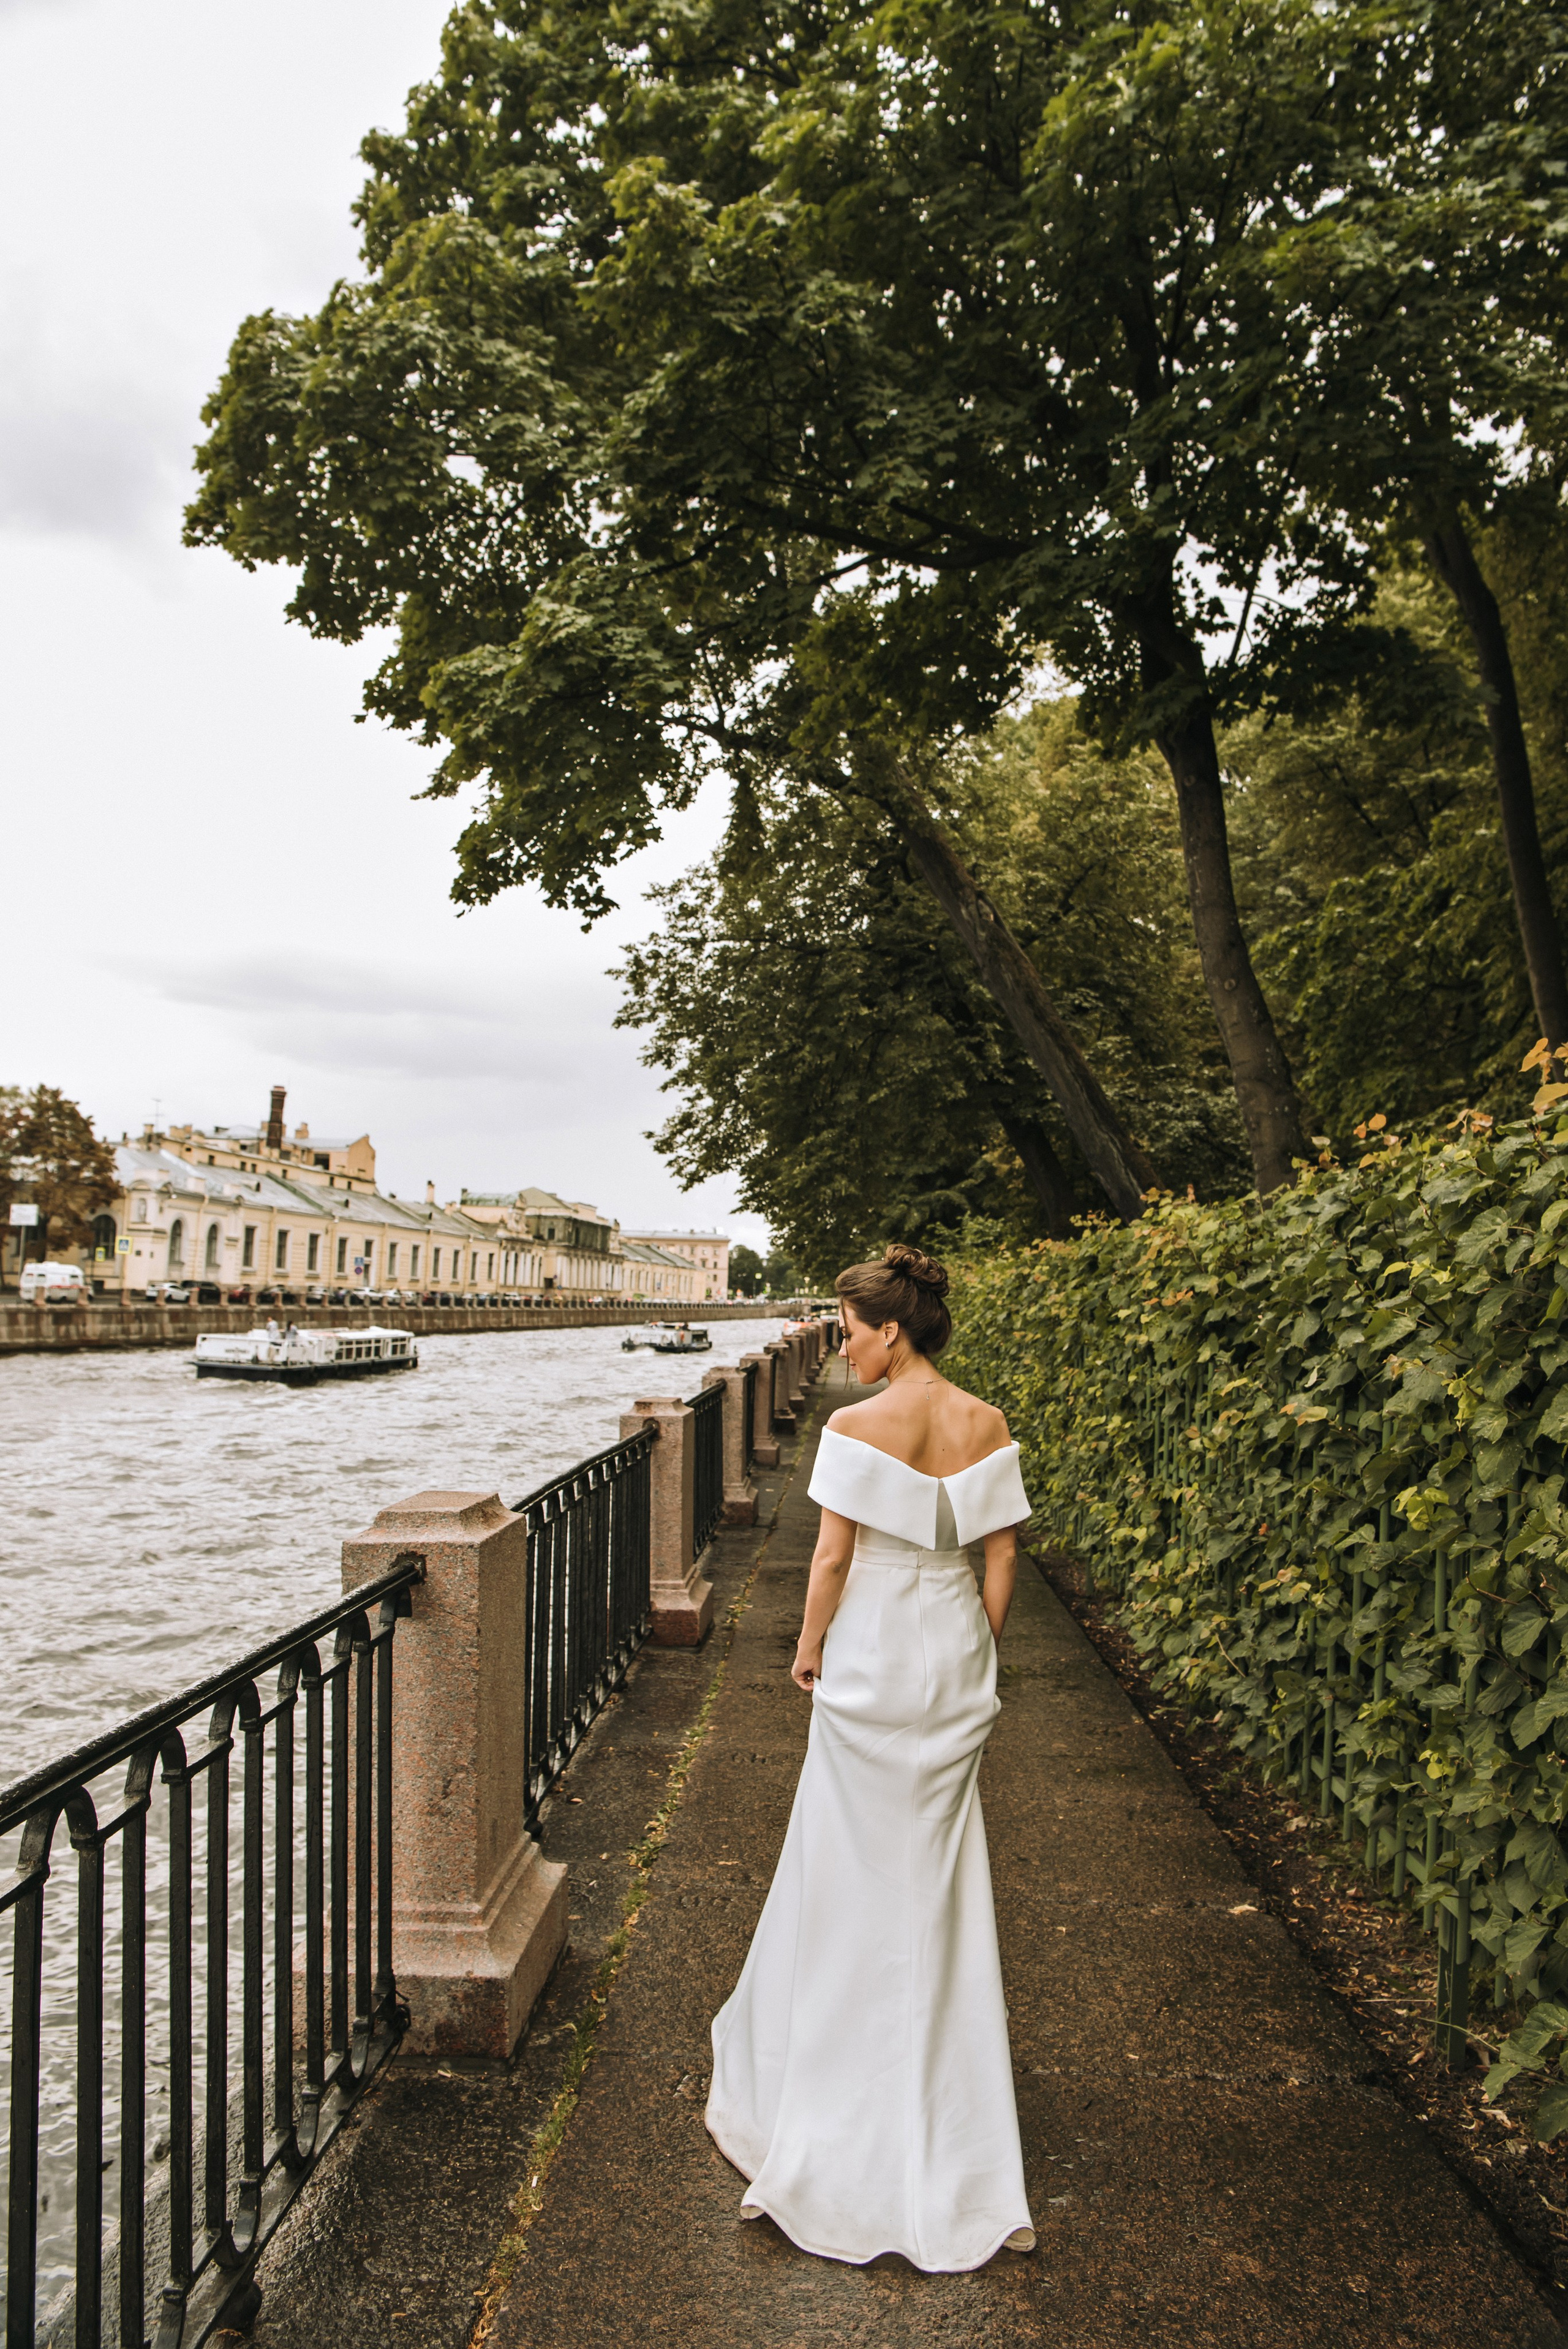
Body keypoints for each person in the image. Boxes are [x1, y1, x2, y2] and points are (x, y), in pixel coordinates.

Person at [706, 1243, 1036, 2271]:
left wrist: (808, 1649)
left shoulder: (855, 1425)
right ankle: (948, 2109)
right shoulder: (985, 1422)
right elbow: (1002, 1554)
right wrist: (975, 1649)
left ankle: (836, 2103)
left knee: (848, 1869)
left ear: (890, 1328)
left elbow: (834, 1555)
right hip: (953, 1658)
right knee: (937, 1880)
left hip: (875, 1661)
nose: (840, 1343)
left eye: (847, 1328)